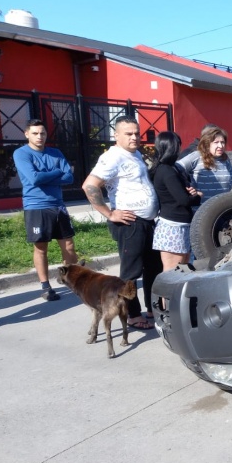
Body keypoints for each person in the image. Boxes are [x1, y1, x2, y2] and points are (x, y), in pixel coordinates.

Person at [82, 116, 162, 329]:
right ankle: (133, 315)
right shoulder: (112, 157)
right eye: (129, 133)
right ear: (116, 135)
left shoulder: (135, 154)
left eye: (137, 133)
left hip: (146, 221)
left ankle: (153, 309)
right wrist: (109, 214)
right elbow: (90, 185)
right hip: (130, 223)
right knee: (130, 272)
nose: (134, 137)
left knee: (153, 267)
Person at [12, 119, 79, 301]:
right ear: (27, 134)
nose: (39, 136)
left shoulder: (55, 153)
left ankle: (71, 279)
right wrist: (57, 172)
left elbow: (70, 178)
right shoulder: (21, 154)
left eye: (42, 133)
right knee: (41, 247)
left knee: (69, 245)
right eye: (35, 133)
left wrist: (47, 176)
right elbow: (34, 179)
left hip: (58, 205)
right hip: (36, 206)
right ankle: (46, 286)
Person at [150, 132, 202, 270]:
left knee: (183, 268)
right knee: (173, 271)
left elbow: (181, 192)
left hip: (180, 224)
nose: (180, 149)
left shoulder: (174, 168)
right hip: (173, 227)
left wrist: (190, 193)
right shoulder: (166, 171)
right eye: (178, 145)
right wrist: (196, 197)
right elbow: (183, 200)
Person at [177, 125, 232, 205]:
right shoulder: (196, 156)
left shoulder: (225, 159)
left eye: (222, 142)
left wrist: (228, 186)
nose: (220, 146)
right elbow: (175, 169)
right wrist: (187, 189)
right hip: (201, 211)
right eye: (216, 142)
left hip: (221, 209)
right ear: (207, 144)